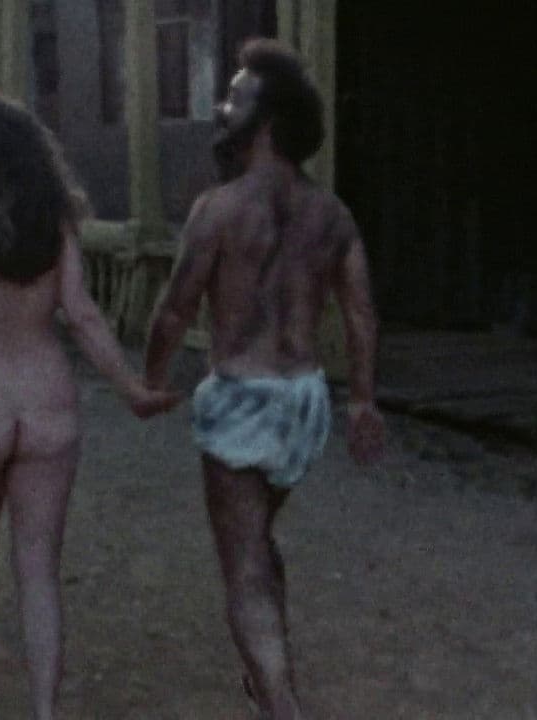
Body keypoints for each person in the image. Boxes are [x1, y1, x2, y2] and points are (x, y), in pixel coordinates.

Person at [0, 89, 178, 719]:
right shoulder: (55, 224)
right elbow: (81, 314)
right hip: (48, 408)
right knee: (39, 569)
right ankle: (46, 711)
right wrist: (131, 389)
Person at [143, 39, 386, 720]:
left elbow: (174, 310)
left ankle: (282, 706)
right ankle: (272, 684)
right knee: (258, 541)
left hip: (242, 403)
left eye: (236, 98)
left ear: (269, 120)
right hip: (304, 404)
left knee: (243, 568)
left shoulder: (218, 209)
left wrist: (151, 381)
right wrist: (362, 400)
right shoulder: (332, 214)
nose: (222, 109)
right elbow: (361, 314)